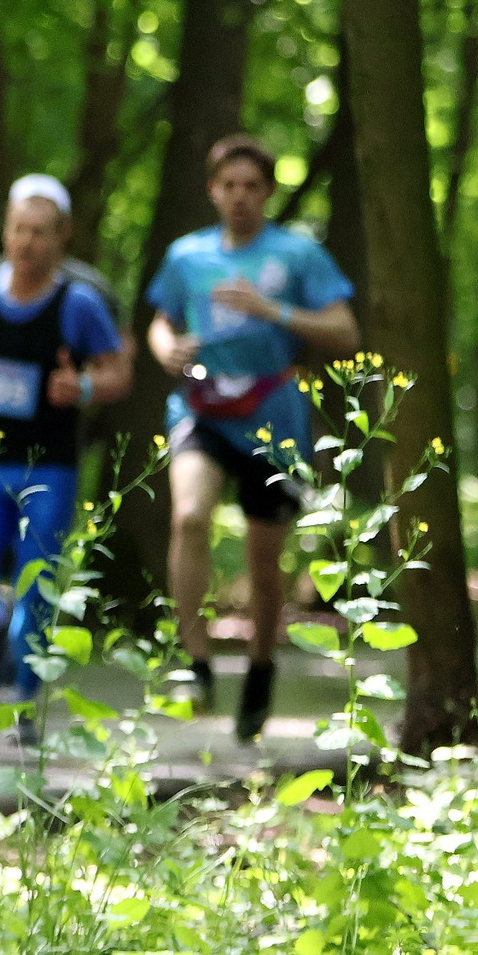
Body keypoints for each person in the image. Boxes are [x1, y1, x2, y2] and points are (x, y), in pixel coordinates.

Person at [143, 133, 359, 742]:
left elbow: (344, 329)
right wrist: (169, 348)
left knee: (265, 555)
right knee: (188, 517)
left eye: (251, 187)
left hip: (273, 410)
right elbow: (161, 321)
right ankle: (197, 664)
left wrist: (274, 312)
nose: (239, 196)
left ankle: (261, 667)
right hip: (202, 405)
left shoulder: (297, 255)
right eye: (228, 185)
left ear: (267, 193)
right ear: (213, 191)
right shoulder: (186, 255)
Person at [0, 174, 132, 716]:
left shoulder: (78, 304)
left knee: (38, 582)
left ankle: (26, 702)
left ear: (62, 237)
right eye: (18, 230)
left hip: (48, 465)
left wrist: (80, 387)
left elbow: (118, 373)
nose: (27, 243)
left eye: (40, 233)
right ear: (4, 231)